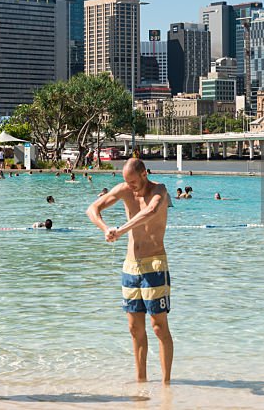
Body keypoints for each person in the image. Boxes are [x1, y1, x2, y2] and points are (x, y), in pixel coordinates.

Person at [86, 158, 173, 384]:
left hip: (154, 263)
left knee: (158, 326)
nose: (130, 186)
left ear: (144, 174)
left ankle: (166, 383)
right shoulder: (125, 189)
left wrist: (121, 230)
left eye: (133, 182)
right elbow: (92, 209)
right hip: (130, 266)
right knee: (134, 328)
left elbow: (151, 211)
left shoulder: (159, 190)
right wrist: (105, 229)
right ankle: (141, 380)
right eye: (127, 182)